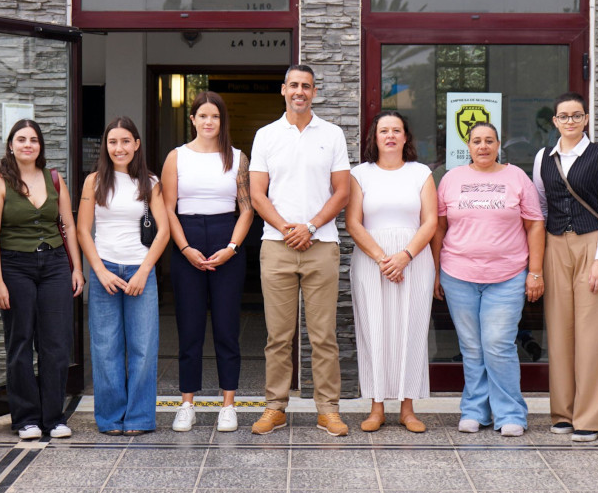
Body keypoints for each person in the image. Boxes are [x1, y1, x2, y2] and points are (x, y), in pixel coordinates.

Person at [249, 64, 351, 436]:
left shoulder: (332, 134)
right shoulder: (266, 135)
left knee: (323, 335)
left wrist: (309, 226)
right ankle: (275, 408)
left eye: (306, 86)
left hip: (321, 244)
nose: (299, 92)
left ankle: (328, 410)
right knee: (279, 336)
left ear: (314, 91)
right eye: (294, 85)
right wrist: (286, 228)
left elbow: (342, 191)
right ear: (283, 89)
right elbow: (257, 193)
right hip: (277, 245)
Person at [432, 121, 546, 437]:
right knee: (471, 347)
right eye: (477, 141)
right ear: (468, 146)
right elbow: (439, 228)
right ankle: (475, 411)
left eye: (489, 140)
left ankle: (510, 413)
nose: (483, 146)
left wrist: (535, 272)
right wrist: (435, 271)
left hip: (507, 275)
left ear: (498, 145)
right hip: (458, 275)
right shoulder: (451, 179)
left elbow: (535, 225)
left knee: (497, 344)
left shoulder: (517, 177)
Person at [0, 119, 85, 440]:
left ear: (40, 146)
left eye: (34, 140)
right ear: (11, 145)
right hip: (15, 266)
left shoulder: (53, 178)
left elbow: (68, 225)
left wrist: (76, 268)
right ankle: (26, 418)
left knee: (56, 344)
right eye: (21, 139)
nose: (28, 144)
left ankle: (54, 418)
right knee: (21, 341)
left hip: (54, 264)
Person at [161, 92, 254, 433]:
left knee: (227, 328)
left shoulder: (237, 157)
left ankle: (228, 404)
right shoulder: (177, 157)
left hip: (226, 240)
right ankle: (187, 403)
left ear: (222, 120)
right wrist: (185, 248)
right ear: (193, 119)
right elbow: (167, 208)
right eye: (203, 115)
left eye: (215, 116)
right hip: (187, 242)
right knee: (189, 328)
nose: (209, 121)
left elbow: (247, 209)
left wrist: (232, 247)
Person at [532, 92, 598, 442]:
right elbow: (540, 208)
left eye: (576, 115)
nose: (570, 121)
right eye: (563, 116)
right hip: (555, 245)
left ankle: (591, 418)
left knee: (593, 334)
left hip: (592, 243)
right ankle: (563, 413)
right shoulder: (543, 157)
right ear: (555, 121)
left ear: (586, 119)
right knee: (560, 332)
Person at [77, 116, 170, 435]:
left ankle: (140, 417)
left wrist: (144, 271)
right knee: (106, 348)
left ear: (136, 144)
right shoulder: (93, 182)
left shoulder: (150, 182)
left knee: (143, 347)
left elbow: (163, 231)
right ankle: (110, 417)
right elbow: (83, 230)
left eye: (126, 141)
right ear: (106, 145)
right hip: (105, 270)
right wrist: (99, 271)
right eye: (113, 142)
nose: (119, 148)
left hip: (139, 270)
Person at [345, 111, 437, 433]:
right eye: (384, 130)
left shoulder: (421, 173)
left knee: (412, 330)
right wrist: (384, 258)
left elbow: (430, 221)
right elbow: (353, 222)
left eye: (396, 130)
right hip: (373, 261)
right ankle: (376, 407)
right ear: (375, 136)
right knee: (374, 330)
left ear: (405, 137)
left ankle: (408, 409)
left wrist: (405, 256)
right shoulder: (360, 174)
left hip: (414, 259)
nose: (390, 136)